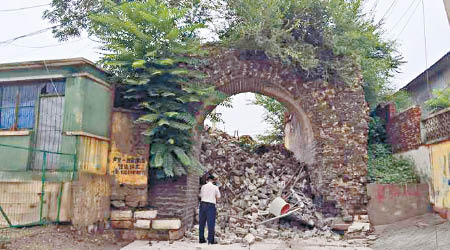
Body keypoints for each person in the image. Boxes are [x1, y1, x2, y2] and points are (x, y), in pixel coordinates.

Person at [199, 174, 221, 244]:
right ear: (212, 180)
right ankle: (210, 240)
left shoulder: (203, 187)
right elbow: (218, 197)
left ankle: (201, 239)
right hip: (211, 205)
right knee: (210, 223)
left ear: (207, 180)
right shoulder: (215, 187)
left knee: (202, 222)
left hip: (202, 204)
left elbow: (201, 195)